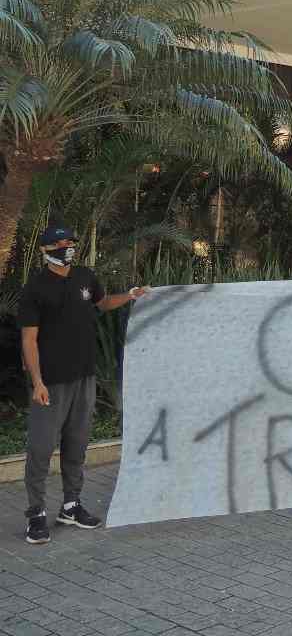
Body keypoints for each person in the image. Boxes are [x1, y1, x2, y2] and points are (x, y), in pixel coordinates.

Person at [17, 225, 150, 545]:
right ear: (46, 250)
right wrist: (37, 381)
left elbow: (102, 304)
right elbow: (29, 339)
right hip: (51, 383)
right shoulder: (35, 288)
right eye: (61, 243)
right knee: (41, 448)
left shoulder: (85, 277)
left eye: (70, 242)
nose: (67, 247)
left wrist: (131, 296)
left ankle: (71, 505)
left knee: (76, 445)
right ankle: (36, 513)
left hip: (84, 378)